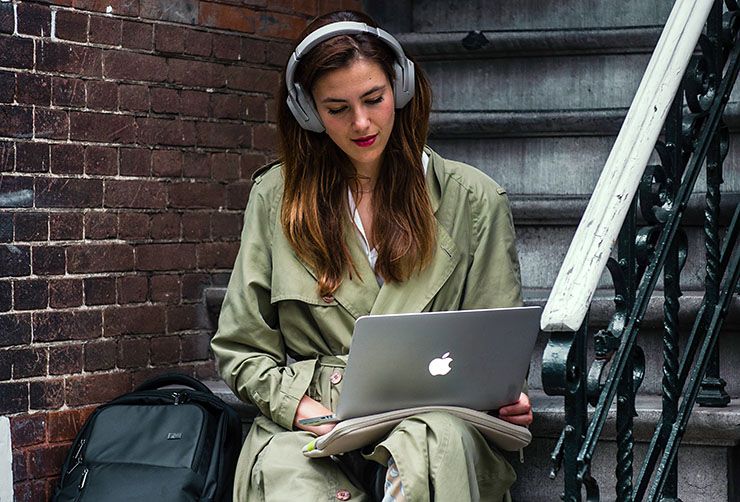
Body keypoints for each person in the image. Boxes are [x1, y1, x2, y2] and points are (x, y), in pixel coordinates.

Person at [211, 9, 533, 502]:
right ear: (307, 112)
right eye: (337, 108)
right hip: (316, 421)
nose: (361, 123)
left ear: (401, 90)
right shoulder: (275, 198)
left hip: (433, 423)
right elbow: (241, 346)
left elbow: (494, 342)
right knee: (288, 478)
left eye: (374, 99)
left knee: (430, 453)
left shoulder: (473, 200)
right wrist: (302, 408)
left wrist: (503, 397)